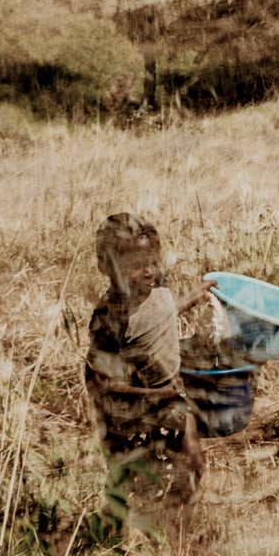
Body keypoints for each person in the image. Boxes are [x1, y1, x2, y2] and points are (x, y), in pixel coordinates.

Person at [84, 211, 216, 505]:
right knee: (129, 472)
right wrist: (151, 396)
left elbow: (164, 311)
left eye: (153, 263)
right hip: (133, 406)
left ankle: (179, 518)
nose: (148, 272)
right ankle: (129, 523)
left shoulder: (156, 289)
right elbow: (99, 381)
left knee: (193, 458)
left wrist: (195, 296)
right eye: (135, 266)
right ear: (106, 266)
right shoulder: (109, 319)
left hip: (171, 391)